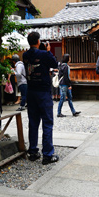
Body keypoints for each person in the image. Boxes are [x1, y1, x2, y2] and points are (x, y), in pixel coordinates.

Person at [23, 31, 59, 164]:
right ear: (38, 41)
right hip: (43, 92)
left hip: (31, 91)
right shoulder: (44, 54)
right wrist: (48, 51)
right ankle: (48, 155)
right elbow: (54, 64)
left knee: (33, 122)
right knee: (47, 122)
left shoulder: (25, 55)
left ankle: (33, 151)